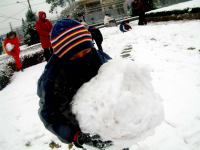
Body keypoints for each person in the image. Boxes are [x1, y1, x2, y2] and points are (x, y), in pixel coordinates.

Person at [37, 19, 112, 150]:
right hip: (84, 131)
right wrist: (76, 135)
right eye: (74, 57)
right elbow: (49, 114)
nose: (83, 58)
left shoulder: (101, 59)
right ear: (62, 56)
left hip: (113, 124)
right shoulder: (52, 79)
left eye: (86, 51)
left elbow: (120, 84)